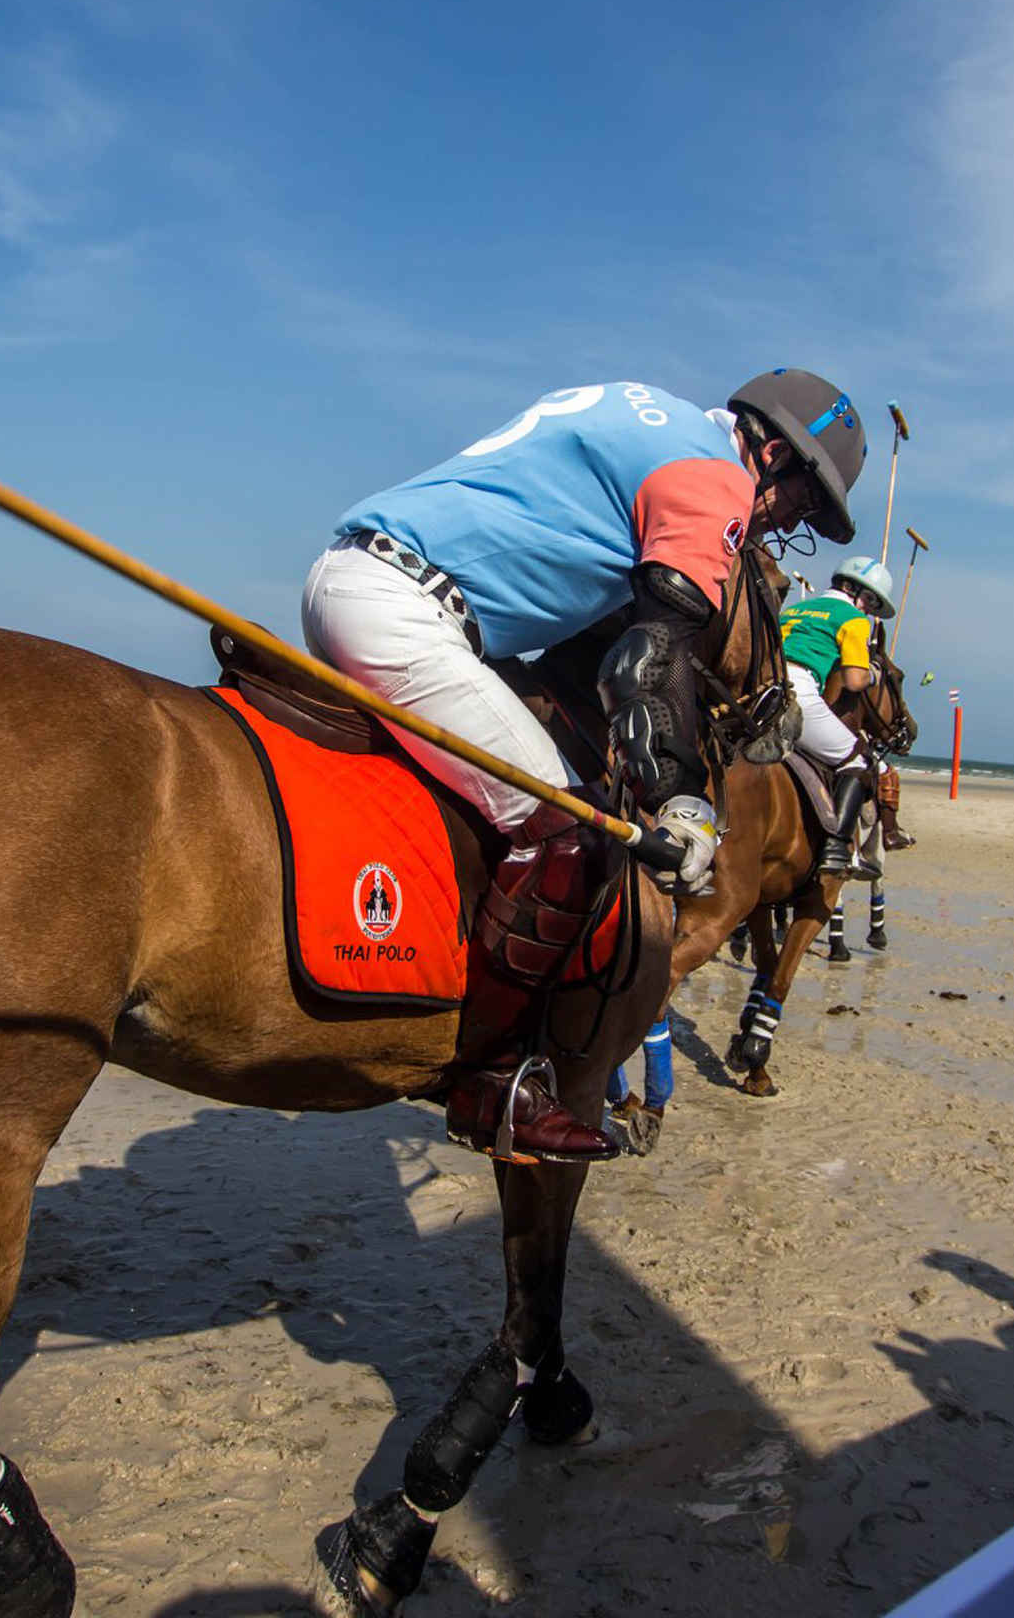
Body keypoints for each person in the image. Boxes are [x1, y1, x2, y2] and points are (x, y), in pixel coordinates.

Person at [306, 371, 866, 1162]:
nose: (783, 527)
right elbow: (649, 658)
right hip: (409, 613)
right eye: (800, 504)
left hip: (367, 576)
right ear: (771, 454)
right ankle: (497, 1079)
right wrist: (683, 804)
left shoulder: (648, 411)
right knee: (570, 833)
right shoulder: (715, 479)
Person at [775, 553, 898, 878]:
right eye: (872, 605)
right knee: (859, 761)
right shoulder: (854, 619)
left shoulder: (794, 610)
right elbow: (854, 680)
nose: (870, 612)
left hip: (758, 692)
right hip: (797, 690)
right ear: (864, 595)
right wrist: (874, 674)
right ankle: (836, 848)